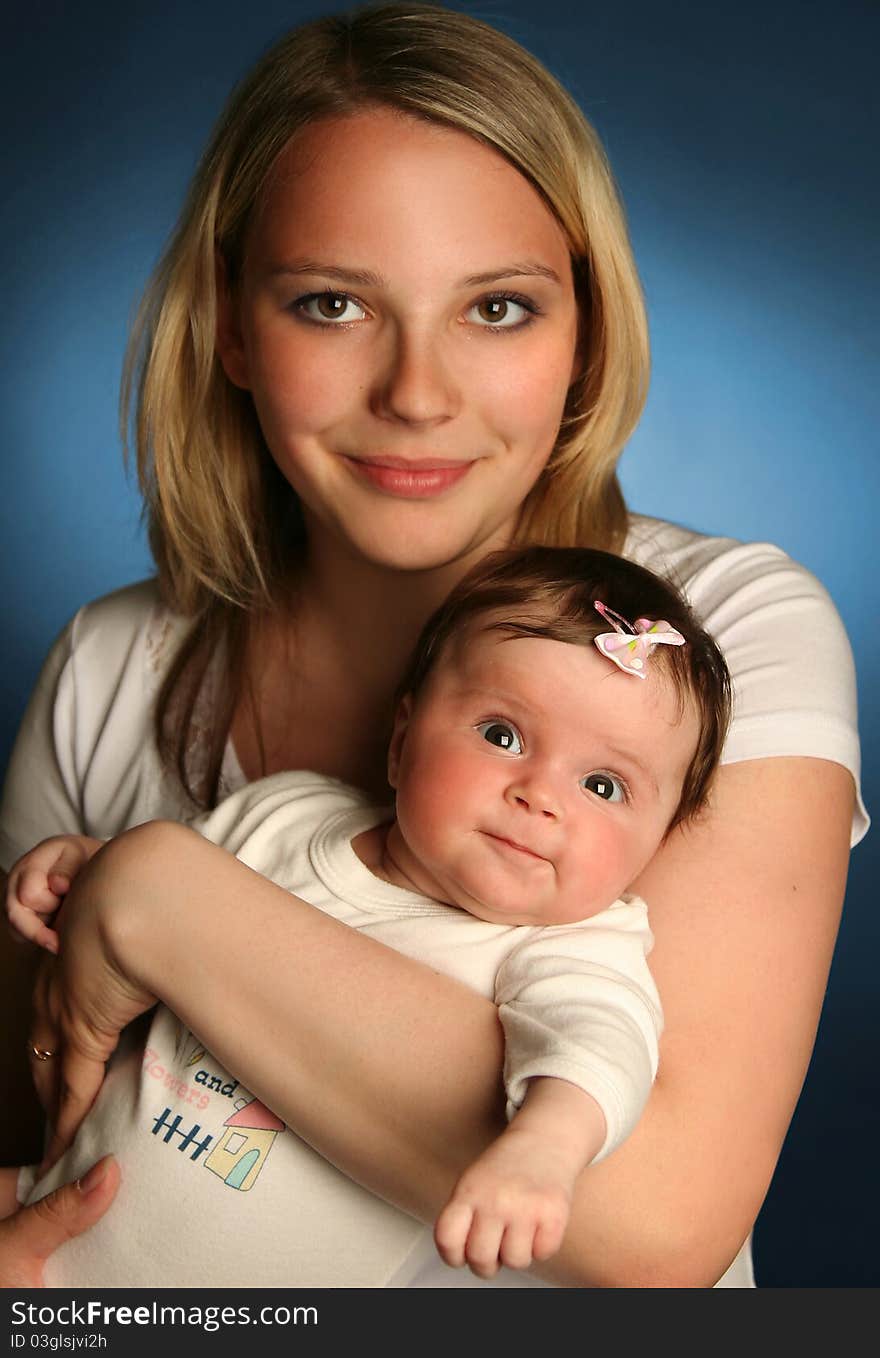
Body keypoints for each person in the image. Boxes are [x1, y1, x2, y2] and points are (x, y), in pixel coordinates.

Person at [0, 3, 865, 1288]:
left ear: (585, 337)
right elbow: (41, 1136)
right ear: (234, 326)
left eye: (499, 308)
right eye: (334, 302)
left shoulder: (711, 632)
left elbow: (650, 1221)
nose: (416, 392)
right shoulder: (108, 666)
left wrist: (159, 897)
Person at [6, 547, 731, 1286]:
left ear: (656, 845)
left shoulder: (570, 947)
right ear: (400, 741)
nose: (540, 796)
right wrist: (88, 868)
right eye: (502, 735)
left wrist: (544, 1150)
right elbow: (140, 923)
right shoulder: (283, 814)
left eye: (603, 785)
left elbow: (600, 1049)